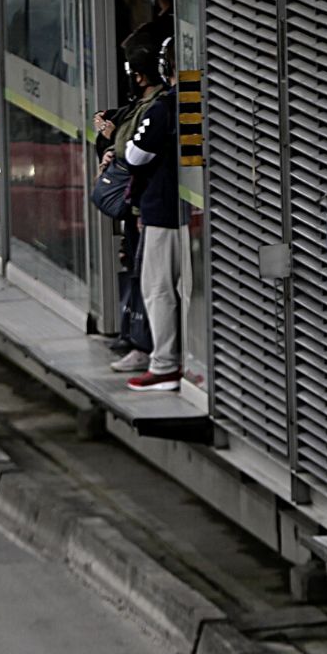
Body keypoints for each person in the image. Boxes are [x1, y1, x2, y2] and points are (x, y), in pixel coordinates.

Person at [107, 41, 181, 392]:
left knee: (157, 288)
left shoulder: (163, 108)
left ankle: (165, 364)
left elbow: (135, 155)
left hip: (162, 211)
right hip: (185, 210)